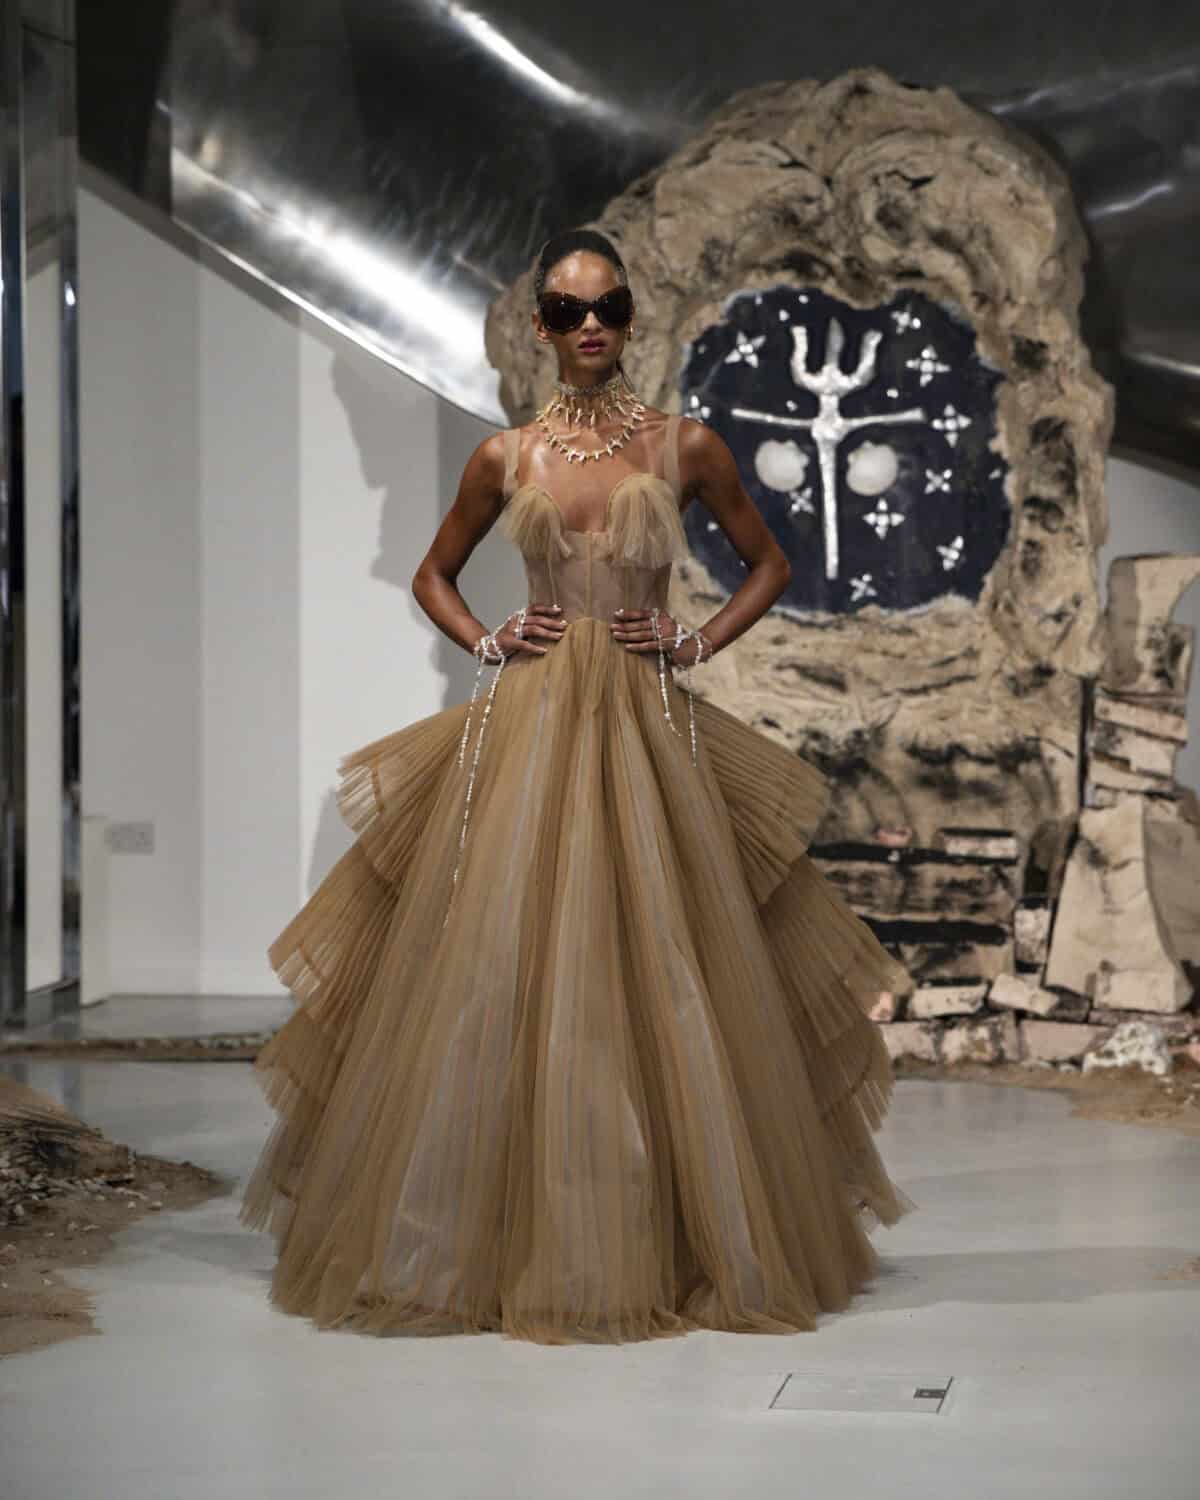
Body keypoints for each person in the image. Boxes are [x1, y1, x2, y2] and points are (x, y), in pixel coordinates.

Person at [238, 227, 916, 1345]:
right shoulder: (505, 457)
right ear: (541, 326)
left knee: (672, 964)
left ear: (630, 317)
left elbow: (770, 563)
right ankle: (490, 1238)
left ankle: (679, 1234)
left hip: (648, 726)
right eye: (566, 310)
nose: (588, 327)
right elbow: (433, 572)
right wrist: (487, 637)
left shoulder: (683, 444)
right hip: (536, 722)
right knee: (503, 963)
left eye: (605, 308)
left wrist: (694, 641)